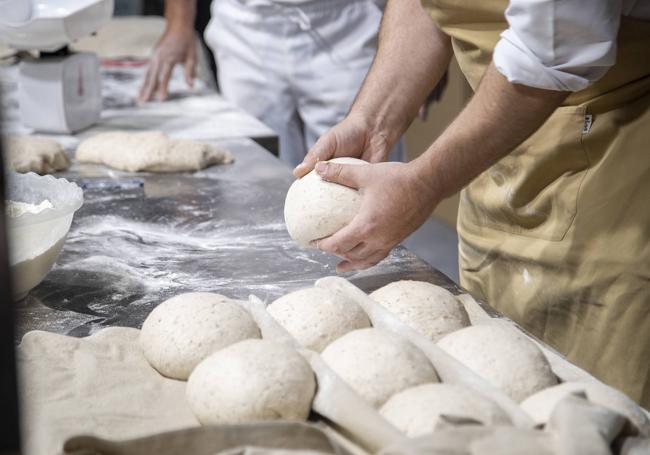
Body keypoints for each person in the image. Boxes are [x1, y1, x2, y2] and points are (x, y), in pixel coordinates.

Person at [294, 0, 650, 407]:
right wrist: (372, 121)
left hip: (615, 167)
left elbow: (552, 50)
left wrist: (424, 183)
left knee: (595, 410)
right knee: (488, 387)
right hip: (492, 148)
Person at [138, 0, 401, 166]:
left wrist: (419, 46)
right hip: (245, 21)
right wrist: (178, 21)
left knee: (358, 167)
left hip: (351, 20)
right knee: (254, 167)